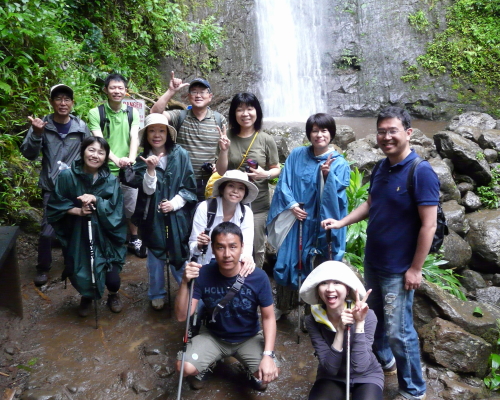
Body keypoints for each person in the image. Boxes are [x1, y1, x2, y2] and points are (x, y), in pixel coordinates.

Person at [322, 106, 438, 400]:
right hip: (374, 262)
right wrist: (342, 222)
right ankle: (384, 360)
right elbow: (371, 203)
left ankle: (413, 390)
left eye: (393, 131)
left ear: (408, 133)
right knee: (375, 318)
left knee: (401, 331)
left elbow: (429, 225)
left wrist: (415, 269)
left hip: (399, 268)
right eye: (382, 131)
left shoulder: (420, 172)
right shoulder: (382, 166)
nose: (386, 137)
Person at [175, 222, 279, 391]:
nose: (227, 254)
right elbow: (181, 316)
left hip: (248, 337)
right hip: (214, 336)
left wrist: (268, 355)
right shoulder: (203, 274)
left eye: (233, 247)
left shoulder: (258, 277)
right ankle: (208, 364)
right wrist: (185, 282)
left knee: (269, 373)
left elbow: (268, 317)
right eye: (220, 247)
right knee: (184, 368)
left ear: (242, 248)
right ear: (213, 249)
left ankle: (248, 369)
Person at [267, 113, 350, 307]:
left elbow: (338, 198)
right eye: (314, 131)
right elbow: (283, 183)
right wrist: (292, 205)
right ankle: (284, 306)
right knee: (287, 263)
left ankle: (312, 313)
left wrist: (328, 177)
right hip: (296, 220)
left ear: (332, 133)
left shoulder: (339, 163)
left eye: (324, 130)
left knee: (318, 268)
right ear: (308, 133)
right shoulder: (297, 155)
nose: (319, 135)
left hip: (321, 224)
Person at [46, 136, 127, 316]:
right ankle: (87, 295)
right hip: (79, 233)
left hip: (106, 235)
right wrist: (78, 211)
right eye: (91, 150)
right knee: (83, 269)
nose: (95, 155)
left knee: (112, 279)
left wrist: (97, 200)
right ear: (83, 151)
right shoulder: (67, 176)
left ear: (106, 157)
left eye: (101, 152)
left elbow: (116, 209)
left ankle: (113, 294)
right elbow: (55, 204)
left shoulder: (111, 180)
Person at [21, 84, 91, 287]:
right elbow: (29, 154)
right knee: (46, 231)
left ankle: (77, 263)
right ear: (51, 102)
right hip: (51, 188)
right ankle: (43, 268)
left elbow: (91, 153)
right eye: (58, 99)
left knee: (79, 225)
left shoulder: (80, 127)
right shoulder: (42, 125)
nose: (63, 103)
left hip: (75, 186)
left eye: (67, 99)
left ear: (72, 103)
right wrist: (36, 134)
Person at [128, 113, 197, 311]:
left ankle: (188, 289)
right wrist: (150, 169)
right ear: (146, 134)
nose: (156, 135)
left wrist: (175, 203)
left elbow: (189, 186)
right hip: (153, 215)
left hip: (178, 214)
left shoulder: (181, 154)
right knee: (155, 253)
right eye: (152, 130)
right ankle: (156, 293)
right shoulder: (142, 160)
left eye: (161, 130)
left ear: (168, 133)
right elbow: (147, 191)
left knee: (178, 250)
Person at [299, 261, 383, 400]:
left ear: (347, 289)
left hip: (367, 375)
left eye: (337, 282)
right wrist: (340, 331)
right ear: (317, 291)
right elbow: (330, 368)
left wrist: (359, 323)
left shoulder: (368, 316)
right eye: (324, 283)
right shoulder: (312, 320)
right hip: (332, 376)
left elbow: (360, 366)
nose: (330, 289)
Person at [216, 93, 280, 269]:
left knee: (256, 248)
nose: (245, 113)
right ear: (234, 114)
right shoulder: (226, 137)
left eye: (250, 108)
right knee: (230, 245)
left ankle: (253, 282)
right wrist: (223, 150)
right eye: (240, 109)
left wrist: (264, 174)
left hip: (258, 205)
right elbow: (221, 171)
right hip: (230, 203)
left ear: (257, 111)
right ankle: (230, 284)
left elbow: (276, 168)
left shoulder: (266, 139)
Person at [87, 73, 143, 257]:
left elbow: (135, 136)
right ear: (105, 90)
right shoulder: (96, 113)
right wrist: (115, 159)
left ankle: (134, 237)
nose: (117, 91)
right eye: (113, 87)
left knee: (131, 206)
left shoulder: (132, 112)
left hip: (127, 169)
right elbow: (99, 141)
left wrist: (131, 159)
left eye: (120, 88)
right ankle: (107, 240)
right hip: (104, 169)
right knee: (105, 206)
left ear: (126, 91)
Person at [150, 71, 227, 200]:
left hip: (208, 182)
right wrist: (171, 91)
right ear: (188, 96)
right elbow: (155, 114)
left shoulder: (219, 120)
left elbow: (223, 150)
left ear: (210, 96)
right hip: (180, 180)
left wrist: (216, 165)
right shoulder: (180, 116)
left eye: (203, 92)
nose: (198, 95)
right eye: (194, 91)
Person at [189, 169, 258, 265]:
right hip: (205, 262)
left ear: (245, 193)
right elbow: (192, 245)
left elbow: (247, 246)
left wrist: (246, 259)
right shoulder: (205, 208)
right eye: (231, 186)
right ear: (222, 189)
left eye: (241, 188)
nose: (235, 191)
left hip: (232, 262)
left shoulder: (246, 212)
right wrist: (199, 245)